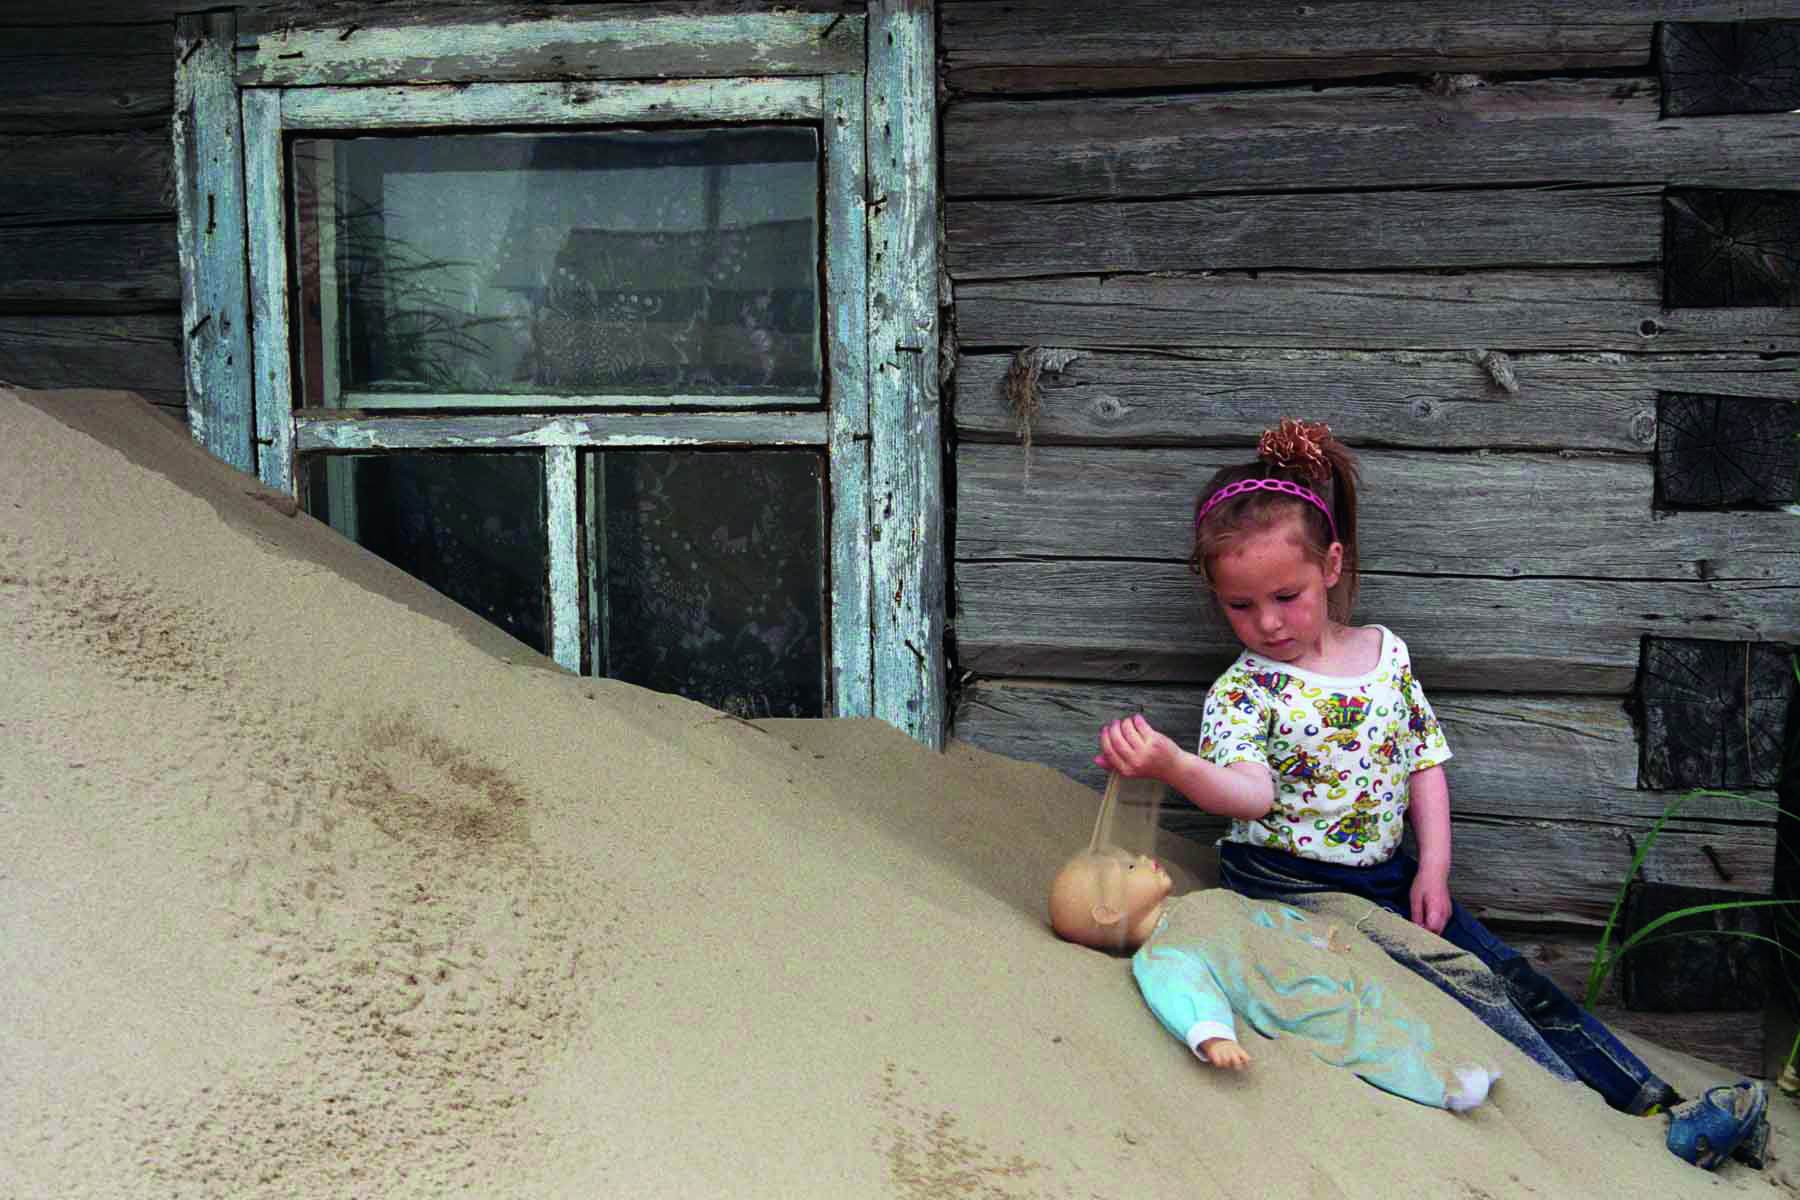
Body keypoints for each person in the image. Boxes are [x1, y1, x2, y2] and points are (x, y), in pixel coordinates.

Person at [1091, 417, 1768, 1171]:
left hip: (1388, 872)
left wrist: (1434, 866)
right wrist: (1175, 764)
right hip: (1291, 886)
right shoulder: (1244, 695)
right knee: (1460, 986)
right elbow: (1247, 796)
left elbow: (1423, 761)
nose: (1269, 622)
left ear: (1332, 565)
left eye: (1287, 594)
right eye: (1240, 606)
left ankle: (1651, 1101)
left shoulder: (1385, 654)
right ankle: (1597, 1132)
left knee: (1508, 973)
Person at [1048, 848, 1502, 1113]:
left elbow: (1264, 916)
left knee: (1384, 1006)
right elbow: (1184, 994)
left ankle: (1446, 1058)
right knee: (1355, 1036)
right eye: (1129, 868)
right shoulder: (1161, 956)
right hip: (1287, 999)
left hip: (1313, 964)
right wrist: (1211, 1035)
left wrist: (1314, 934)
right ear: (1108, 913)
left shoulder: (1205, 901)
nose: (1143, 858)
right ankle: (1441, 1087)